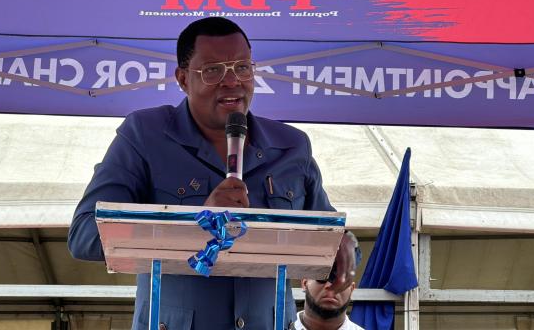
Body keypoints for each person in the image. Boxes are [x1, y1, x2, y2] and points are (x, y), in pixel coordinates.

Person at [68, 16, 357, 330]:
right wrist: (195, 224)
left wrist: (345, 245)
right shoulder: (145, 136)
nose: (231, 81)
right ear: (182, 79)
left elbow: (328, 233)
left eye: (242, 67)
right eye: (212, 70)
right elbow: (85, 236)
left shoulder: (291, 146)